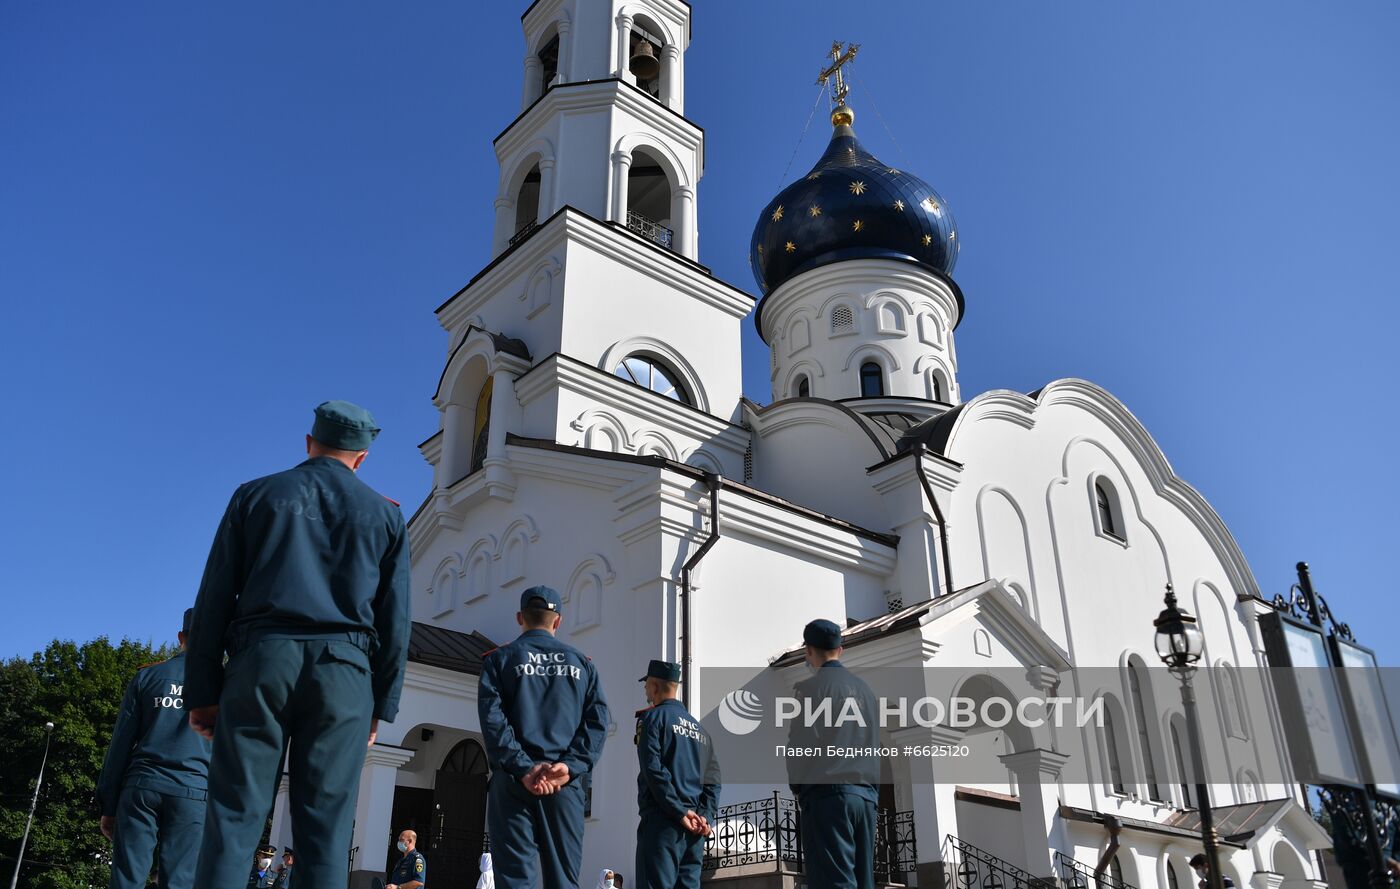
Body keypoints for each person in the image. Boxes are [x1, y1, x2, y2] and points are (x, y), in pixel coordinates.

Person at [184, 400, 412, 889]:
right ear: (363, 457)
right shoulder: (386, 516)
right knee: (326, 829)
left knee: (234, 817)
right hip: (345, 673)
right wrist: (381, 704)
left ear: (309, 444)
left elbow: (214, 598)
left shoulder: (255, 495)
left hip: (260, 661)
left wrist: (202, 690)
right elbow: (396, 622)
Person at [478, 585, 610, 889]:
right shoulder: (583, 664)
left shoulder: (499, 660)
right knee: (563, 881)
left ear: (520, 617)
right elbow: (598, 723)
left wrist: (524, 767)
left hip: (512, 783)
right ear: (558, 621)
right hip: (564, 787)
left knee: (514, 880)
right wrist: (568, 767)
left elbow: (493, 721)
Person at [96, 608, 213, 889]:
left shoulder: (148, 677)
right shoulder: (225, 685)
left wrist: (108, 805)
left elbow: (120, 745)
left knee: (127, 878)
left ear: (180, 636)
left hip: (142, 787)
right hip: (194, 791)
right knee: (180, 881)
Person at [786, 619, 880, 889]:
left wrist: (799, 788)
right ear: (841, 649)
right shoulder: (866, 692)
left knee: (833, 881)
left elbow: (800, 746)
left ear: (808, 651)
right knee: (863, 881)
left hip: (828, 796)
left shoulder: (811, 690)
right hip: (866, 797)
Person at [633, 660, 720, 889]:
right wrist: (705, 817)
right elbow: (713, 781)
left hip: (663, 823)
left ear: (654, 686)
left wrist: (680, 812)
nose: (645, 690)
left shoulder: (651, 720)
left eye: (646, 685)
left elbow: (654, 771)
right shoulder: (701, 731)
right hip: (695, 831)